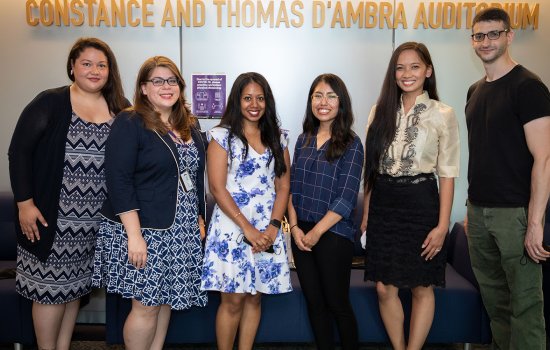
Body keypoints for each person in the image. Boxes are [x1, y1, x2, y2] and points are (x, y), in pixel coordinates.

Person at [8, 37, 128, 350]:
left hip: (95, 224)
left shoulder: (120, 107)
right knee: (49, 292)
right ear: (72, 67)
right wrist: (24, 204)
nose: (94, 70)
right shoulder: (51, 101)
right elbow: (19, 151)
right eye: (86, 63)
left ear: (109, 71)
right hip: (50, 219)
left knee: (73, 290)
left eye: (101, 65)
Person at [91, 56, 208, 350]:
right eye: (157, 80)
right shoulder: (130, 122)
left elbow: (192, 176)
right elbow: (119, 181)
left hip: (179, 227)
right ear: (144, 88)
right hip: (143, 228)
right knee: (145, 305)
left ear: (180, 87)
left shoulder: (188, 125)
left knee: (164, 298)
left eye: (172, 81)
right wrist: (135, 236)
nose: (166, 87)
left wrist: (197, 216)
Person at [361, 42, 459, 350]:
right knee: (383, 288)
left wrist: (442, 226)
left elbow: (447, 173)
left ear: (428, 71)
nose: (407, 74)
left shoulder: (443, 114)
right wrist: (366, 214)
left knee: (421, 286)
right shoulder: (379, 112)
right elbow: (371, 169)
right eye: (400, 68)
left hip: (421, 204)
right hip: (384, 205)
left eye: (415, 66)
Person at [465, 7, 550, 349]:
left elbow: (544, 159)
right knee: (496, 304)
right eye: (479, 35)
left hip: (514, 215)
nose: (486, 42)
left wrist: (535, 222)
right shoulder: (475, 91)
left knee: (526, 306)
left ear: (509, 36)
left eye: (493, 34)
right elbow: (482, 156)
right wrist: (471, 211)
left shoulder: (528, 86)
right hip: (479, 214)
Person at [200, 72, 292, 350]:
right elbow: (217, 188)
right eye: (248, 98)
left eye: (260, 98)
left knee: (255, 297)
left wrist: (273, 227)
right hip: (232, 227)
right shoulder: (221, 137)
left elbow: (283, 187)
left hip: (267, 229)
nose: (255, 104)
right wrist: (247, 229)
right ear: (237, 101)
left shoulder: (279, 138)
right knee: (233, 299)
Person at [287, 73, 364, 350]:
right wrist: (295, 229)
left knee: (337, 303)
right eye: (318, 95)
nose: (324, 102)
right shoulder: (302, 140)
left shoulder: (352, 144)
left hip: (333, 233)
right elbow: (291, 189)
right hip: (301, 235)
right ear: (311, 101)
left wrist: (316, 232)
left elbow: (346, 199)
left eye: (331, 96)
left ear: (341, 103)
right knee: (315, 303)